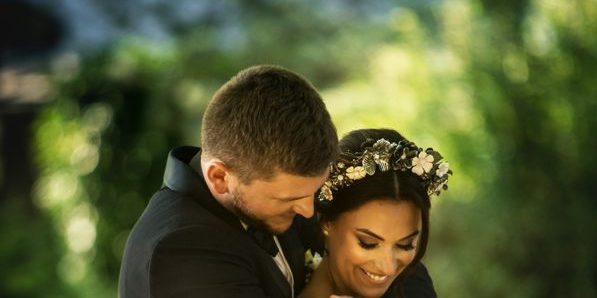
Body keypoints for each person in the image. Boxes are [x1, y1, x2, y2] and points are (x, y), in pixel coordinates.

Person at [118, 65, 340, 298]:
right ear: (220, 177)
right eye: (290, 198)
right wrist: (327, 277)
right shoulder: (182, 249)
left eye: (313, 191)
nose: (308, 211)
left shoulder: (281, 192)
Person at [299, 128, 452, 298]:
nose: (388, 267)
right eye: (368, 243)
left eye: (405, 245)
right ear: (326, 222)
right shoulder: (281, 268)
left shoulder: (413, 287)